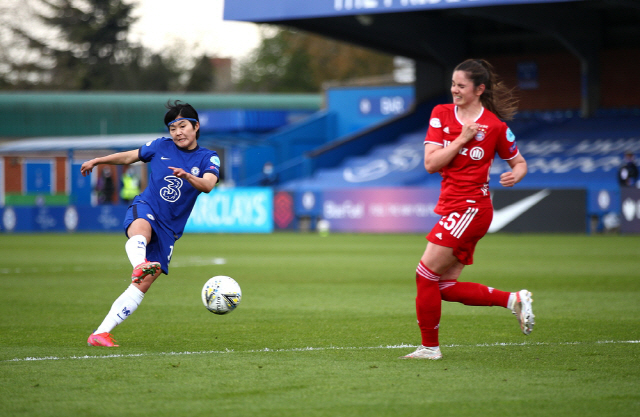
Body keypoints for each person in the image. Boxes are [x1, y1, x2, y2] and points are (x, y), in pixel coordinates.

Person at [401, 59, 534, 360]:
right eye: (452, 84)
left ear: (479, 89)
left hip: (472, 208)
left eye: (461, 86)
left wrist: (517, 174)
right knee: (444, 285)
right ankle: (513, 299)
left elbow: (520, 162)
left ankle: (429, 348)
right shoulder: (441, 114)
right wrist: (462, 138)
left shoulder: (495, 126)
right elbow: (431, 163)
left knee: (425, 274)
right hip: (453, 207)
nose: (454, 90)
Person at [81, 100, 220, 347]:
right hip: (147, 206)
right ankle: (139, 264)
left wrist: (188, 176)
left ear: (196, 127)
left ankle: (100, 333)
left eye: (182, 126)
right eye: (172, 128)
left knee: (141, 285)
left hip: (170, 229)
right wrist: (98, 160)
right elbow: (128, 157)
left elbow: (208, 185)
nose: (177, 132)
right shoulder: (159, 146)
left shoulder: (208, 157)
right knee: (141, 230)